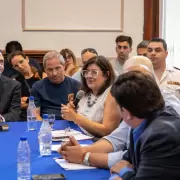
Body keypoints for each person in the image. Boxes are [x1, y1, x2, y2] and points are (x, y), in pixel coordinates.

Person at [58, 56, 180, 170]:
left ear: (150, 79)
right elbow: (118, 139)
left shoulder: (168, 111)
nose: (129, 83)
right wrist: (81, 151)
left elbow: (134, 161)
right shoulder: (133, 105)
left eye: (135, 78)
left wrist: (85, 156)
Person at [109, 71, 180, 180]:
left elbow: (123, 167)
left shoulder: (160, 136)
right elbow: (125, 161)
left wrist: (125, 172)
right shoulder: (141, 124)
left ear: (126, 113)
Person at [61, 56, 121, 137]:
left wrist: (75, 117)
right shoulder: (84, 92)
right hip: (77, 135)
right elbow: (78, 118)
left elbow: (107, 131)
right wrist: (70, 113)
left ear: (106, 75)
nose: (88, 76)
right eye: (86, 72)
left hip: (96, 143)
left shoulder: (112, 94)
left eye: (94, 72)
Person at [31, 51, 81, 120]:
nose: (54, 73)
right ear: (45, 70)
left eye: (57, 68)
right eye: (50, 70)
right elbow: (35, 114)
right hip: (45, 123)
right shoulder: (37, 86)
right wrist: (45, 127)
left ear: (64, 67)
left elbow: (82, 114)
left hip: (69, 124)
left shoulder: (76, 86)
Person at [8, 51, 43, 120]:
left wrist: (27, 100)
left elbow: (46, 99)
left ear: (27, 59)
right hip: (25, 117)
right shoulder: (15, 81)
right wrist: (37, 102)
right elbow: (18, 105)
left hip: (43, 113)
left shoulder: (42, 75)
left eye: (21, 62)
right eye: (16, 66)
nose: (20, 66)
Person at [0, 52, 21, 122]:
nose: (0, 65)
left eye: (1, 62)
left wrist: (1, 119)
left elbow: (15, 114)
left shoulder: (14, 85)